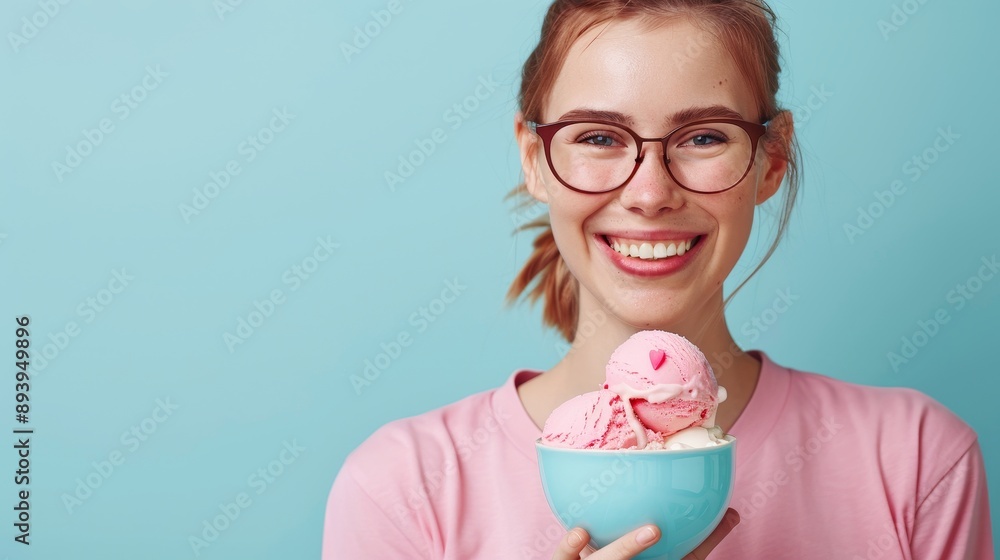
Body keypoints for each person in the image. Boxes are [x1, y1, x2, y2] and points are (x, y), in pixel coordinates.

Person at [323, 0, 995, 558]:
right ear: (534, 159)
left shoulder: (915, 461)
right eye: (598, 138)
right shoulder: (403, 488)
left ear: (771, 159)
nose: (649, 194)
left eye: (703, 137)